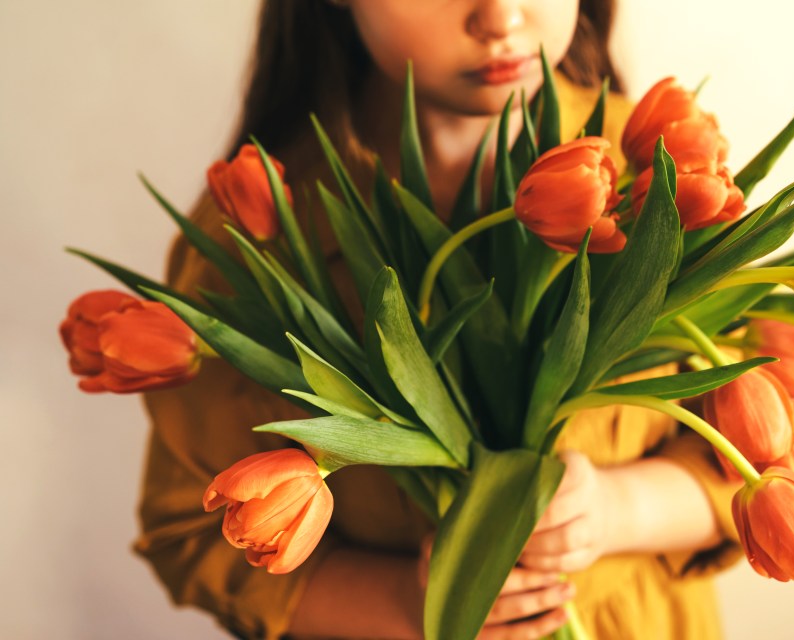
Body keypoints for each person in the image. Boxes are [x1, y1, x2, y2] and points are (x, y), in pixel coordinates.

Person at [135, 1, 742, 638]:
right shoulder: (260, 233)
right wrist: (413, 603)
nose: (501, 18)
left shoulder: (664, 171)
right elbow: (193, 536)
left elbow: (770, 459)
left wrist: (617, 509)